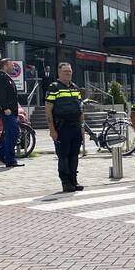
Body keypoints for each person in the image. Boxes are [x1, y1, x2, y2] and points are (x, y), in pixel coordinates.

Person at [45, 63, 84, 192]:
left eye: (70, 71)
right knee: (64, 156)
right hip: (62, 127)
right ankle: (65, 182)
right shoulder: (54, 88)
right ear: (59, 73)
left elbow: (81, 110)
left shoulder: (75, 88)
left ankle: (74, 180)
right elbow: (48, 110)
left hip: (75, 126)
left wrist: (82, 127)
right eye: (65, 71)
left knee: (74, 155)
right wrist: (52, 130)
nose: (68, 74)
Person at [0, 58, 23, 168]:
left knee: (11, 133)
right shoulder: (1, 78)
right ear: (5, 66)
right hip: (7, 112)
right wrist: (5, 108)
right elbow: (0, 95)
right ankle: (10, 159)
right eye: (11, 65)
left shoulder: (6, 77)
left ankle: (0, 153)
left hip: (11, 111)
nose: (13, 67)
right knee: (12, 134)